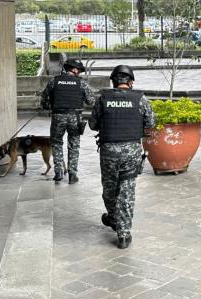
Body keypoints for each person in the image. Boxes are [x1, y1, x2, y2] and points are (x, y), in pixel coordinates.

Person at [88, 65, 155, 249]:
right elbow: (150, 123)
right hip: (132, 151)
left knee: (109, 188)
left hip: (109, 151)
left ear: (114, 81)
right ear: (131, 82)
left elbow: (93, 125)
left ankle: (114, 219)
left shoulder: (103, 99)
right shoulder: (140, 99)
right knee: (127, 191)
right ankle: (124, 235)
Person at [41, 59, 96, 183]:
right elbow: (91, 101)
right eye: (79, 71)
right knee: (74, 146)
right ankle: (72, 175)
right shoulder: (82, 83)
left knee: (56, 143)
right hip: (75, 118)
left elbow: (44, 101)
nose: (79, 73)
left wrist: (51, 105)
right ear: (75, 70)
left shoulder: (53, 82)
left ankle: (59, 172)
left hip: (58, 116)